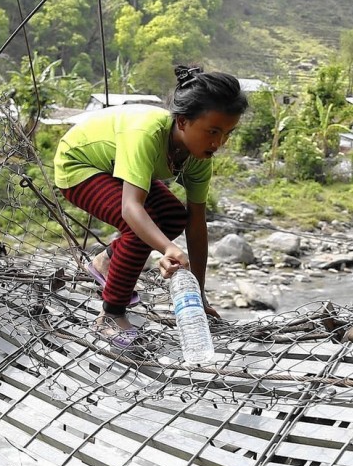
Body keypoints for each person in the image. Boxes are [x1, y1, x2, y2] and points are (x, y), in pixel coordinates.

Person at [53, 65, 247, 349]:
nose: (218, 142)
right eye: (212, 131)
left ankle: (105, 262)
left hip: (114, 167)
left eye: (227, 133)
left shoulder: (199, 157)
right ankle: (110, 315)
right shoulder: (148, 133)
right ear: (182, 122)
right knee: (137, 228)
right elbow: (132, 209)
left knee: (171, 217)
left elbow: (195, 225)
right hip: (79, 165)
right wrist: (168, 248)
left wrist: (200, 295)